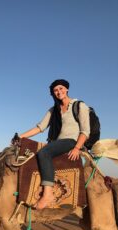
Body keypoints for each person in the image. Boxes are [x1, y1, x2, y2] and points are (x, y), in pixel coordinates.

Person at [19, 79, 90, 210]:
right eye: (56, 90)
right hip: (56, 143)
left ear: (67, 89)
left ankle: (47, 194)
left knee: (44, 152)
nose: (59, 92)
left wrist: (77, 147)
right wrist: (21, 136)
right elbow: (40, 128)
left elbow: (85, 131)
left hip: (71, 141)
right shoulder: (53, 110)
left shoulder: (79, 106)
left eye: (61, 88)